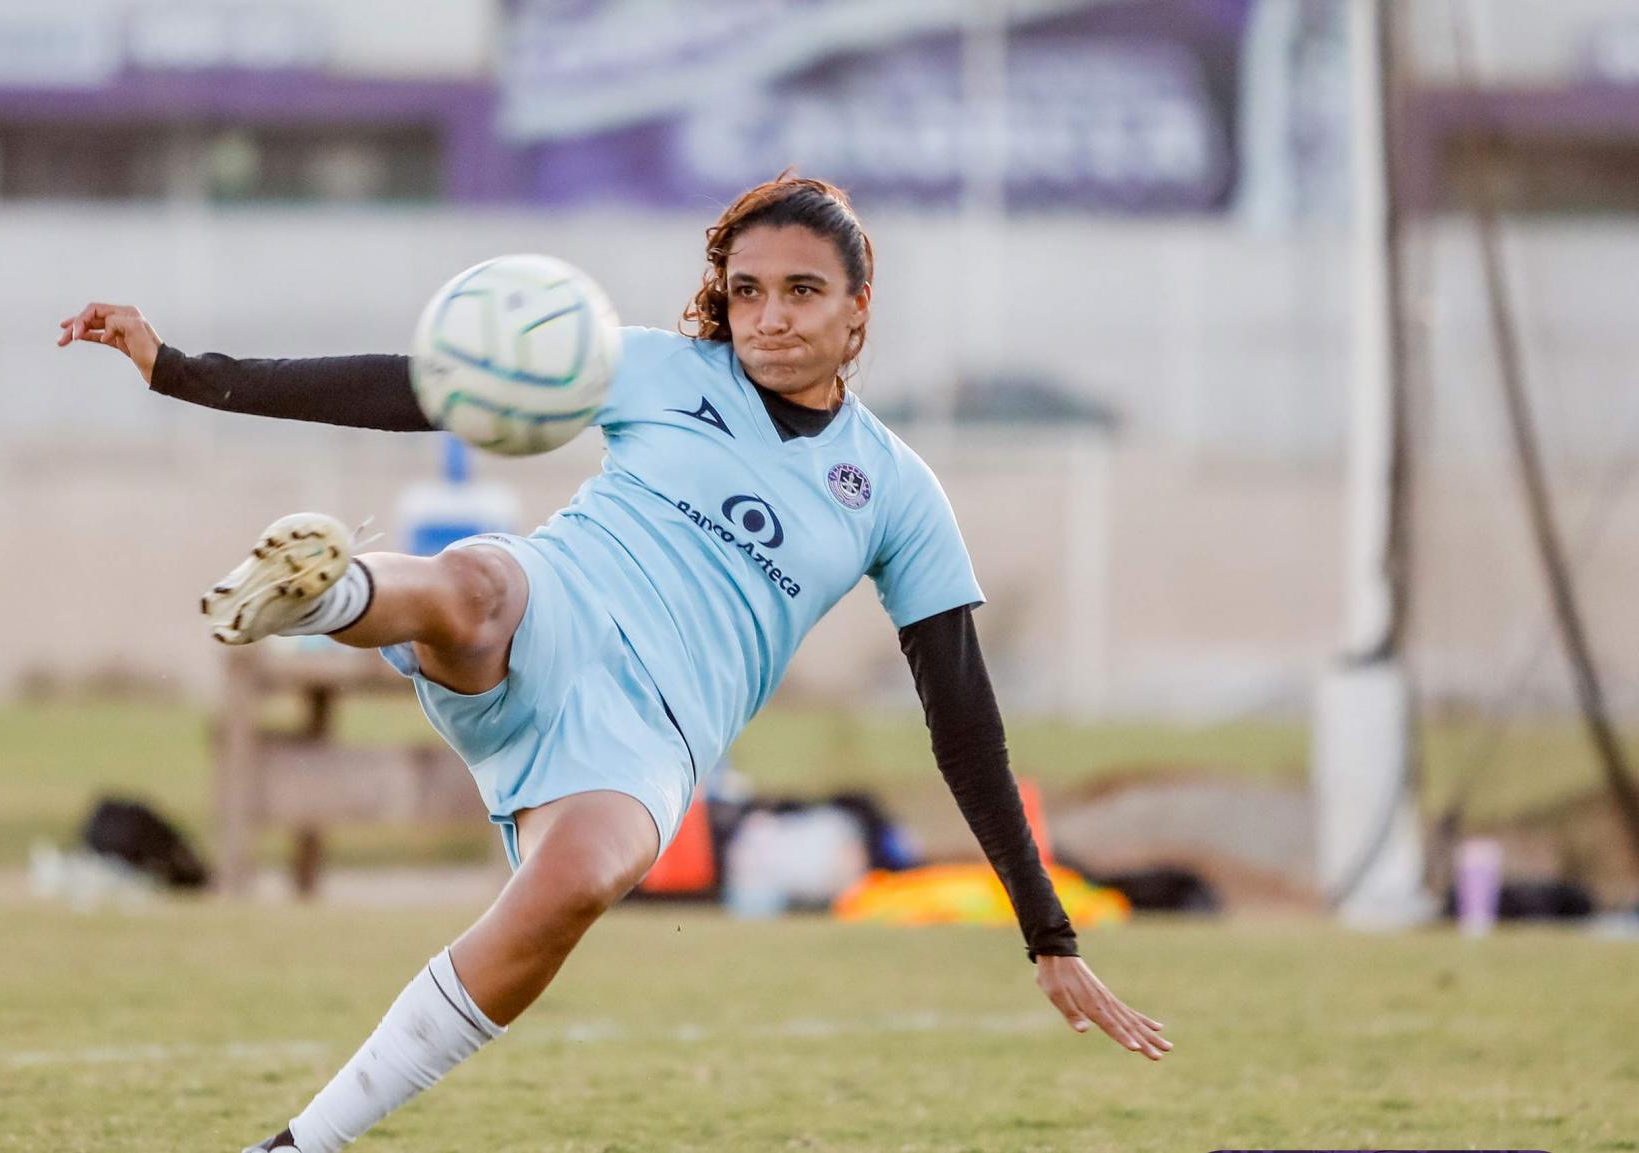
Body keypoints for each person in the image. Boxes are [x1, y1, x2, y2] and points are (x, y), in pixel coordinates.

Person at [59, 175, 1170, 1152]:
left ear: (856, 310)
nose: (768, 317)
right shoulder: (655, 368)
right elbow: (422, 383)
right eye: (746, 290)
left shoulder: (895, 490)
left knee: (582, 879)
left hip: (655, 738)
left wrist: (1047, 931)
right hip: (562, 605)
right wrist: (184, 370)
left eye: (800, 291)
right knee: (475, 590)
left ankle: (301, 1144)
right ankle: (328, 588)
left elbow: (964, 720)